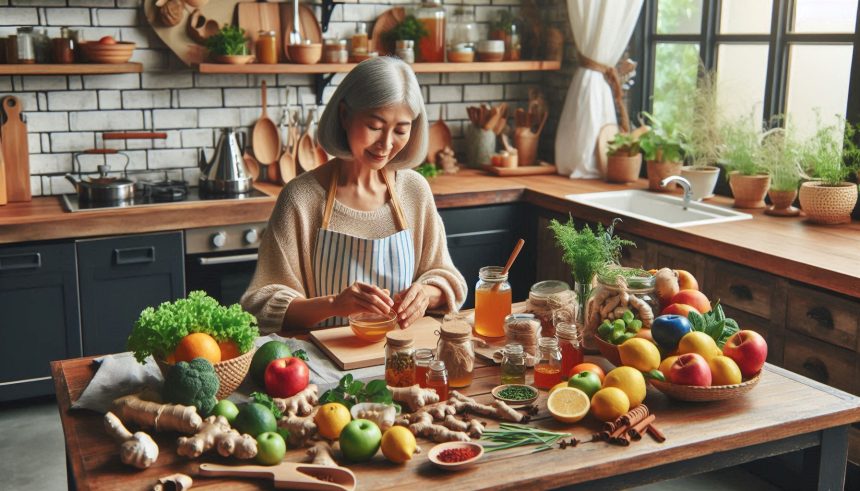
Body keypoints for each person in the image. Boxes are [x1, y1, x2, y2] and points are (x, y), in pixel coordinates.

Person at [241, 57, 467, 334]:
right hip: (324, 369)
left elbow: (448, 279)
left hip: (403, 362)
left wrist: (426, 294)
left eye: (401, 130)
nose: (386, 144)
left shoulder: (414, 191)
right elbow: (260, 306)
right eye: (375, 126)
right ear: (344, 115)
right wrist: (334, 304)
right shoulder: (300, 199)